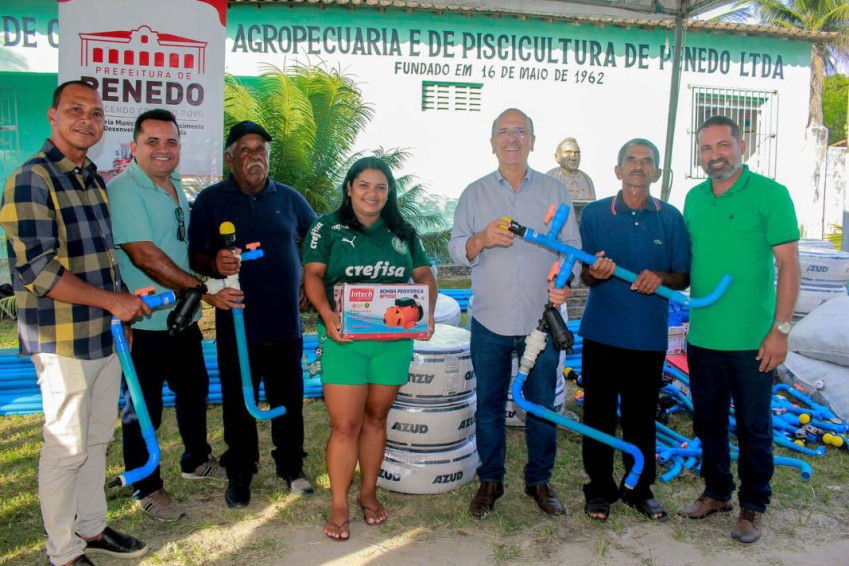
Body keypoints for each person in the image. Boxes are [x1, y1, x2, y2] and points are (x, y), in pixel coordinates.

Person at [0, 80, 150, 566]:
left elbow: (104, 260)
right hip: (61, 338)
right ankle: (62, 552)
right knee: (66, 447)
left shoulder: (93, 179)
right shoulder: (31, 179)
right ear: (53, 115)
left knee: (99, 436)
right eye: (75, 110)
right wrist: (113, 303)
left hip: (103, 336)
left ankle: (91, 527)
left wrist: (122, 303)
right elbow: (37, 271)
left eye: (96, 113)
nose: (87, 120)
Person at [106, 109, 243, 521]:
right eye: (153, 142)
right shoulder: (125, 189)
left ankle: (196, 460)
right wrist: (199, 289)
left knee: (194, 389)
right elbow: (144, 254)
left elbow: (181, 249)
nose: (163, 150)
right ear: (134, 147)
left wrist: (207, 275)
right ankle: (144, 484)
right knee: (142, 407)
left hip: (178, 319)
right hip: (144, 320)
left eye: (171, 142)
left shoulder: (175, 185)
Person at [449, 108, 579, 519]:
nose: (511, 139)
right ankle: (491, 481)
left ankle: (539, 482)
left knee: (540, 405)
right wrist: (481, 239)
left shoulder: (555, 192)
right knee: (488, 404)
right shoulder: (474, 193)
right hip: (489, 319)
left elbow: (571, 249)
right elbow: (456, 249)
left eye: (520, 132)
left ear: (533, 141)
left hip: (540, 320)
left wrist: (565, 283)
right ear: (492, 143)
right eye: (503, 132)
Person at [303, 156, 437, 541]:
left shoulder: (402, 231)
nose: (372, 193)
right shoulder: (325, 228)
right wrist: (327, 314)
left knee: (377, 418)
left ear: (389, 192)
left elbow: (424, 273)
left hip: (392, 342)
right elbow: (312, 274)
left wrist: (425, 312)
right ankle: (340, 504)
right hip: (343, 339)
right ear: (349, 188)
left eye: (381, 187)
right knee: (346, 425)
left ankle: (368, 493)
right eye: (363, 185)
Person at [680, 116, 800, 543]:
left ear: (741, 146)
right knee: (708, 421)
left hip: (754, 340)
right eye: (706, 148)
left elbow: (788, 265)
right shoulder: (693, 199)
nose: (715, 155)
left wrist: (780, 331)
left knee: (754, 425)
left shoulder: (771, 195)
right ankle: (717, 492)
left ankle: (753, 505)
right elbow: (686, 262)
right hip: (704, 336)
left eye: (722, 145)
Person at [188, 121, 318, 509]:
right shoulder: (211, 201)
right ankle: (241, 471)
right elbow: (195, 255)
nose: (255, 156)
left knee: (289, 398)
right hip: (238, 324)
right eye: (246, 150)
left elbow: (318, 242)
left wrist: (308, 285)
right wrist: (214, 262)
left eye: (261, 149)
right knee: (237, 400)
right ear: (230, 158)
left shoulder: (290, 199)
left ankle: (291, 466)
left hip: (285, 323)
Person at [578, 139, 690, 523]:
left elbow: (683, 275)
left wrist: (660, 277)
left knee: (641, 416)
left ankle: (639, 490)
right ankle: (599, 490)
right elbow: (583, 275)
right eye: (631, 160)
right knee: (598, 415)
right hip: (601, 334)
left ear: (657, 173)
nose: (638, 167)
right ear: (618, 170)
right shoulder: (594, 214)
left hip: (647, 337)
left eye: (647, 162)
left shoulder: (671, 218)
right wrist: (595, 271)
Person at [545, 137, 596, 221]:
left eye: (576, 153)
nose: (573, 158)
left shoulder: (586, 180)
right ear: (557, 157)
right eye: (568, 153)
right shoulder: (549, 178)